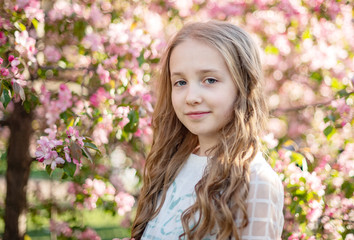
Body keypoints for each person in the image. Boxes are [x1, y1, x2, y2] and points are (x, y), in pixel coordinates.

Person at [131, 20, 284, 240]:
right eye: (180, 82)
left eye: (209, 80)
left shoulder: (256, 181)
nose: (191, 97)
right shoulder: (171, 166)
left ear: (244, 87)